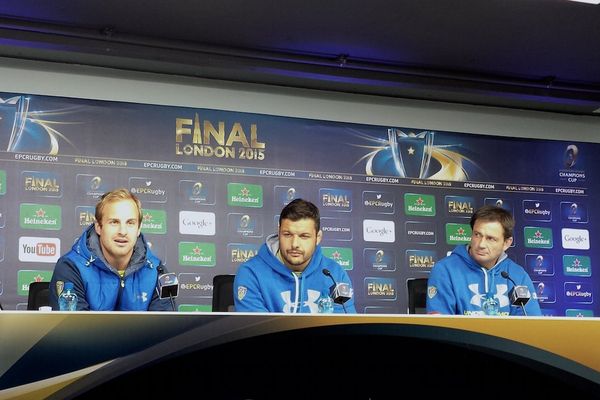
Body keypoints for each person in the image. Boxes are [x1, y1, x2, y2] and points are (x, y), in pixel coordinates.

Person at [49, 188, 174, 311]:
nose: (123, 231)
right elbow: (74, 328)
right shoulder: (71, 267)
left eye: (130, 223)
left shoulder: (157, 271)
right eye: (114, 222)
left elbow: (164, 328)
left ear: (139, 228)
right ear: (98, 227)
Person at [234, 198, 356, 313]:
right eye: (287, 234)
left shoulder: (335, 274)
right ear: (279, 232)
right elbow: (257, 330)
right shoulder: (251, 273)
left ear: (317, 238)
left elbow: (344, 328)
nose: (294, 244)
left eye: (304, 236)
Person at [426, 205, 541, 316]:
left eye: (490, 238)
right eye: (477, 235)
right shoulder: (445, 270)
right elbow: (441, 327)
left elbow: (531, 326)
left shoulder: (517, 276)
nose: (481, 244)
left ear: (506, 243)